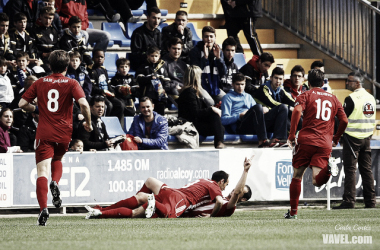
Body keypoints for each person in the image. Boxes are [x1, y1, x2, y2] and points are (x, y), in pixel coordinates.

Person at [18, 50, 93, 226]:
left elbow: (22, 104)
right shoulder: (72, 83)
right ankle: (55, 182)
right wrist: (88, 123)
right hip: (64, 132)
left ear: (49, 66)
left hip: (44, 132)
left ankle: (43, 208)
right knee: (57, 159)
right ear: (67, 66)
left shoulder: (40, 82)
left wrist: (37, 109)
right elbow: (84, 104)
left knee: (41, 171)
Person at [285, 69, 348, 219]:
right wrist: (336, 138)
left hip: (306, 140)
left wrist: (292, 135)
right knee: (316, 181)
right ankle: (328, 171)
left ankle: (293, 213)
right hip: (325, 143)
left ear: (308, 82)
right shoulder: (334, 99)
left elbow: (296, 111)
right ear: (323, 82)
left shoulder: (305, 95)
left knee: (297, 176)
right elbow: (344, 120)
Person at [85, 168, 232, 219]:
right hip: (180, 200)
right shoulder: (214, 186)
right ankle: (150, 205)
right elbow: (219, 201)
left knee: (147, 185)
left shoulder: (203, 180)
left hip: (171, 191)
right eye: (226, 184)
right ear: (221, 181)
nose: (225, 188)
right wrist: (211, 217)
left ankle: (101, 209)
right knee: (137, 213)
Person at [333, 72, 376, 209]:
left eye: (349, 81)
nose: (347, 83)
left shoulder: (351, 98)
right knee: (366, 170)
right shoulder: (371, 98)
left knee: (350, 170)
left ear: (357, 83)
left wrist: (338, 136)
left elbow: (343, 119)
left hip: (352, 137)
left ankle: (349, 201)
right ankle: (370, 202)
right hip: (367, 138)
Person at [221, 73, 288, 147]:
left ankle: (278, 139)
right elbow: (223, 120)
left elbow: (257, 111)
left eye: (242, 84)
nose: (240, 87)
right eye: (238, 84)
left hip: (255, 124)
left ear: (245, 84)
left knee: (282, 107)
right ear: (232, 84)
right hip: (241, 125)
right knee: (258, 107)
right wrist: (239, 116)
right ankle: (262, 140)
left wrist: (263, 110)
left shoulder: (248, 96)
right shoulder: (227, 98)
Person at [184, 156, 253, 217]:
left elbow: (236, 193)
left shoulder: (230, 207)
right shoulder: (219, 197)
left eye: (240, 190)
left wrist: (245, 171)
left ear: (243, 199)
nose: (235, 189)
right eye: (237, 187)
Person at [177, 65, 225, 149]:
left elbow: (201, 110)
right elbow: (195, 113)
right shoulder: (189, 92)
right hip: (189, 124)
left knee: (220, 127)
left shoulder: (195, 92)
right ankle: (219, 143)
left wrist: (212, 108)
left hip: (196, 122)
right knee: (217, 122)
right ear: (196, 78)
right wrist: (212, 109)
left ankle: (219, 143)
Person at [253, 67, 300, 131]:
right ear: (271, 78)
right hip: (263, 119)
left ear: (283, 80)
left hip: (274, 117)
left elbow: (291, 100)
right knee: (286, 111)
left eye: (280, 79)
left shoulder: (280, 89)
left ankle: (305, 133)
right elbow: (272, 103)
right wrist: (289, 107)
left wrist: (299, 106)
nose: (278, 81)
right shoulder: (263, 88)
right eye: (276, 78)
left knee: (296, 112)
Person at [189, 26, 227, 103]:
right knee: (210, 102)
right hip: (199, 86)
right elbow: (195, 73)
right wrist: (205, 58)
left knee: (227, 100)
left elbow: (224, 72)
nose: (209, 39)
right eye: (206, 36)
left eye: (211, 36)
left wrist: (219, 58)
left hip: (214, 87)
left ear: (215, 38)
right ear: (202, 38)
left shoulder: (218, 50)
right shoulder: (195, 51)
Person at [87, 49, 125, 122]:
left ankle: (115, 124)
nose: (99, 59)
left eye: (101, 57)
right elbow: (92, 87)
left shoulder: (104, 70)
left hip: (107, 94)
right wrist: (102, 91)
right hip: (98, 95)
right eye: (97, 57)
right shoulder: (91, 71)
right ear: (93, 58)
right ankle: (103, 123)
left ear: (104, 58)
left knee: (120, 105)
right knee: (108, 105)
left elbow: (108, 84)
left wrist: (112, 91)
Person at [135, 46, 169, 116]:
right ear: (148, 56)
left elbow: (167, 81)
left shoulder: (162, 67)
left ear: (159, 56)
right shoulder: (143, 67)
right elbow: (139, 79)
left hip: (160, 96)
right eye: (152, 56)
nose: (154, 58)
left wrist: (165, 89)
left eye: (156, 56)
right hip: (148, 95)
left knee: (160, 115)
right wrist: (150, 78)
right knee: (149, 115)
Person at [29, 6, 59, 73]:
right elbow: (32, 48)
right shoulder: (33, 30)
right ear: (40, 16)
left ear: (53, 18)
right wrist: (44, 54)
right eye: (45, 18)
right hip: (39, 59)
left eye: (50, 18)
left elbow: (57, 46)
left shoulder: (54, 30)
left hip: (52, 59)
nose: (47, 21)